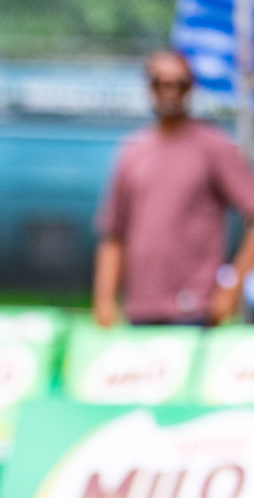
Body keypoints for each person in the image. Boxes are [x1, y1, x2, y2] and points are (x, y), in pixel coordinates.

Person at [93, 49, 254, 327]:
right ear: (149, 87)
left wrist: (233, 287)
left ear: (191, 88)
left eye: (179, 83)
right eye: (159, 82)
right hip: (141, 311)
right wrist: (105, 299)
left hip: (195, 311)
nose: (169, 91)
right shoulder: (133, 151)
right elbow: (113, 234)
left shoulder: (213, 147)